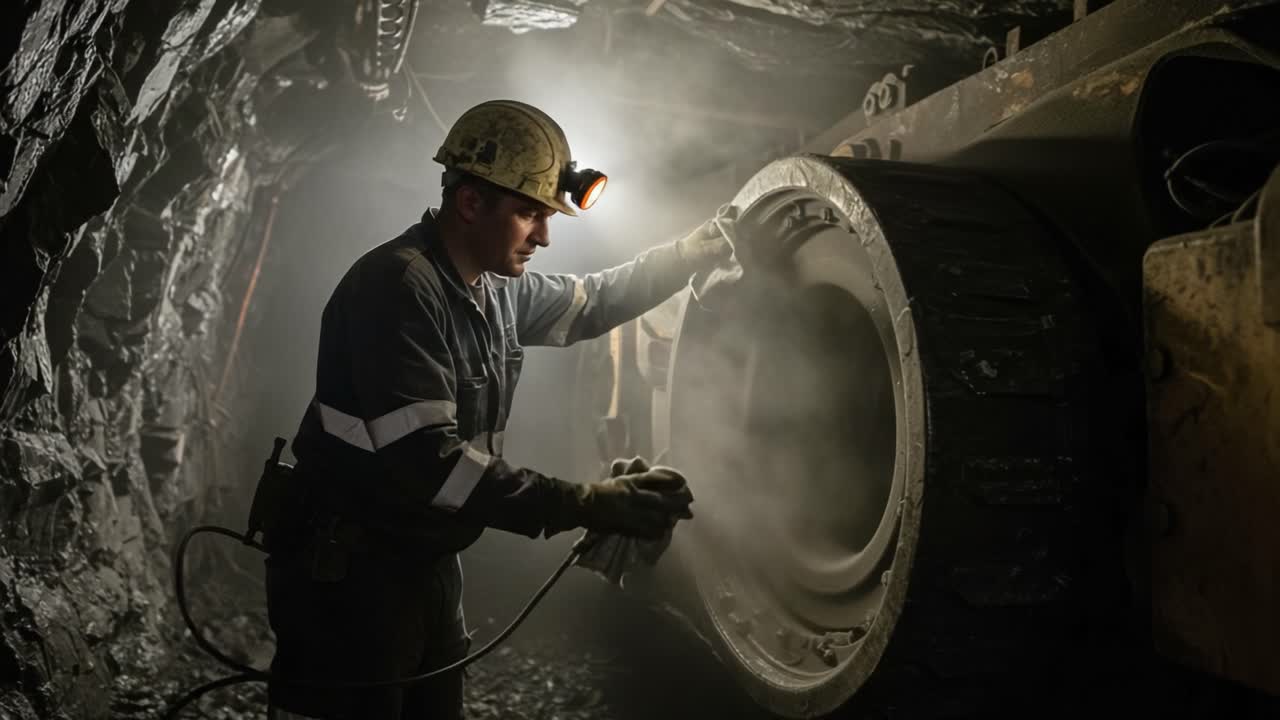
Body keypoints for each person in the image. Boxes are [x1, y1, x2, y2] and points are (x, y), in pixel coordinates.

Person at [265, 99, 734, 720]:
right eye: (529, 214)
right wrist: (587, 503)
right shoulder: (399, 289)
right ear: (469, 203)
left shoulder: (492, 292)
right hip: (352, 574)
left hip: (425, 561)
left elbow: (594, 302)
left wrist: (690, 253)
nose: (543, 236)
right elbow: (435, 467)